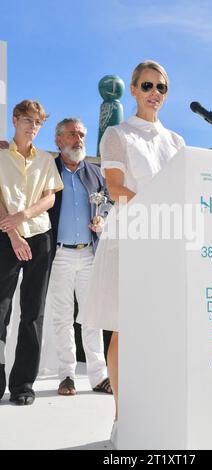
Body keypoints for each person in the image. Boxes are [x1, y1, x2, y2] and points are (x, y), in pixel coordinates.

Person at [79, 60, 185, 447]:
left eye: (162, 87)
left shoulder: (176, 142)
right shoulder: (117, 134)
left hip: (170, 240)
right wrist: (159, 212)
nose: (155, 93)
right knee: (126, 327)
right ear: (135, 91)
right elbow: (116, 188)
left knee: (163, 327)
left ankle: (159, 411)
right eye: (147, 85)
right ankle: (123, 419)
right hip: (132, 238)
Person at [0, 99, 63, 405]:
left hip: (40, 237)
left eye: (38, 123)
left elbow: (49, 198)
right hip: (4, 236)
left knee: (33, 312)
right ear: (14, 119)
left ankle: (23, 385)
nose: (33, 127)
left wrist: (23, 216)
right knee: (0, 311)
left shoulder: (46, 159)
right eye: (27, 120)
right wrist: (12, 232)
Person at [47, 118, 112, 396]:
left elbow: (107, 201)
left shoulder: (96, 172)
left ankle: (99, 376)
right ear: (59, 140)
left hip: (89, 254)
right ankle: (67, 376)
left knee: (92, 317)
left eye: (82, 134)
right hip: (58, 254)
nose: (79, 139)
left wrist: (102, 220)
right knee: (62, 317)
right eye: (73, 134)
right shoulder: (48, 169)